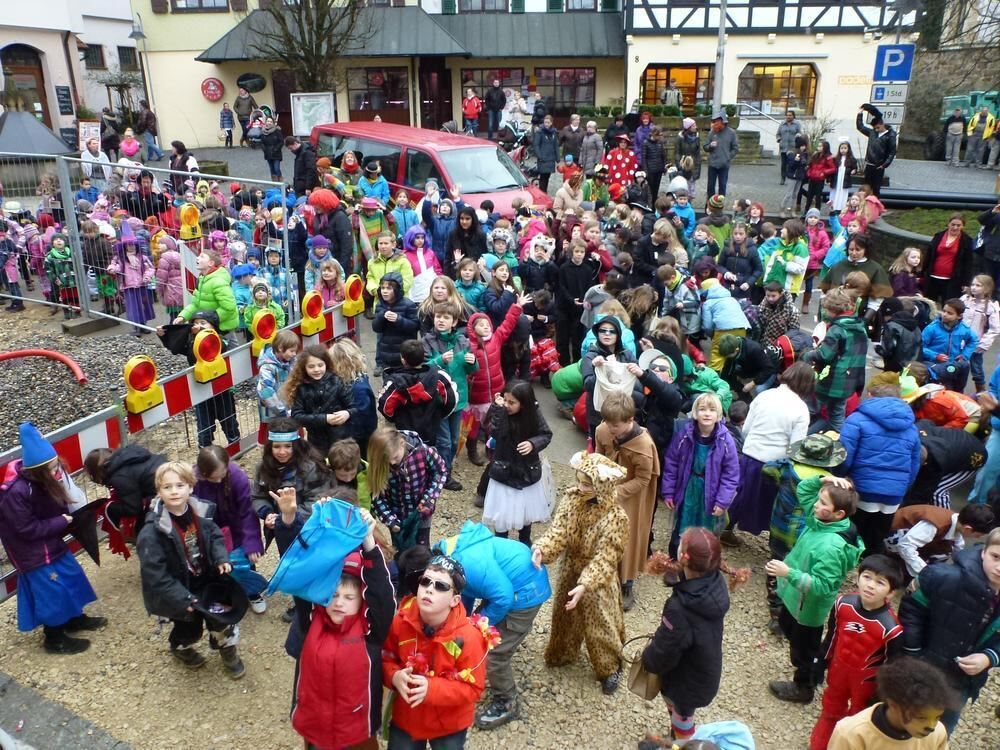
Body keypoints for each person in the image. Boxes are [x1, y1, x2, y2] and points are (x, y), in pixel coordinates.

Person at [288, 508, 392, 750]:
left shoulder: (370, 632)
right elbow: (302, 572)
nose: (339, 602)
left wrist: (368, 543)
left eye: (348, 597)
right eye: (333, 595)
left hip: (357, 731)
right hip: (315, 726)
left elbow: (383, 598)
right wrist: (316, 528)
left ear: (361, 601)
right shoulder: (311, 621)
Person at [0, 423, 108, 654]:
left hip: (49, 542)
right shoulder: (16, 493)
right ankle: (54, 637)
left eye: (55, 466)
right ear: (36, 471)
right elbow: (25, 529)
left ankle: (73, 618)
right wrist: (62, 521)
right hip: (32, 553)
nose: (56, 472)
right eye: (50, 469)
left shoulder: (42, 480)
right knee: (52, 590)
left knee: (71, 575)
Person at [136, 462, 246, 678]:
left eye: (180, 485)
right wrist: (182, 599)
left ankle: (227, 648)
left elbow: (214, 535)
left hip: (207, 580)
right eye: (167, 487)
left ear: (191, 487)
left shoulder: (200, 511)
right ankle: (182, 646)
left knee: (222, 618)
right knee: (189, 627)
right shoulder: (151, 533)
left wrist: (220, 557)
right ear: (158, 492)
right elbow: (156, 576)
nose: (174, 491)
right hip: (179, 590)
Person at [532, 451, 629, 694]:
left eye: (586, 483)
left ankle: (609, 667)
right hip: (570, 568)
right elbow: (559, 531)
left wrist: (586, 584)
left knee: (602, 622)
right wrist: (542, 549)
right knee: (565, 615)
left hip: (598, 579)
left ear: (602, 486)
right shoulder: (572, 499)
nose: (580, 487)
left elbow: (607, 557)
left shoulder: (617, 517)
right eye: (579, 481)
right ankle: (563, 652)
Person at [765, 474, 863, 704]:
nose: (816, 505)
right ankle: (813, 667)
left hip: (807, 609)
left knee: (803, 650)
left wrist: (788, 573)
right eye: (818, 500)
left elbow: (822, 586)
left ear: (838, 513)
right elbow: (804, 491)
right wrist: (823, 480)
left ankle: (804, 687)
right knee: (789, 630)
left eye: (823, 503)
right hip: (795, 598)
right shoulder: (820, 519)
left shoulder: (831, 546)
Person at [898, 527, 1000, 734]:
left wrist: (990, 657)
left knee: (940, 731)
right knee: (903, 723)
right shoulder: (942, 576)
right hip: (921, 667)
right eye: (996, 556)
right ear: (983, 551)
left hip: (961, 681)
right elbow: (911, 611)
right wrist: (913, 652)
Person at [382, 554, 489, 749]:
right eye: (425, 581)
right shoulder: (400, 621)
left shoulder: (470, 637)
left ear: (455, 600)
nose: (429, 589)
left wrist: (431, 689)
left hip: (449, 724)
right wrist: (394, 677)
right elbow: (386, 658)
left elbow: (474, 688)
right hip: (408, 716)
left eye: (440, 586)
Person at [641, 529, 734, 742]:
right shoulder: (715, 581)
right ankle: (678, 738)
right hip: (703, 671)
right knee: (683, 714)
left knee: (682, 716)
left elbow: (665, 651)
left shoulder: (680, 609)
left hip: (684, 683)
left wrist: (648, 659)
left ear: (685, 558)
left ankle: (682, 744)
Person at [808, 554, 906, 750]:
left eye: (880, 582)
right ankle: (818, 745)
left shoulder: (892, 629)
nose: (870, 585)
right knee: (830, 708)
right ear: (857, 577)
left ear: (891, 593)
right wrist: (820, 661)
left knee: (860, 718)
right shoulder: (843, 603)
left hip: (866, 680)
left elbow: (891, 667)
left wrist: (881, 694)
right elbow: (832, 636)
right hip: (839, 667)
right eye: (867, 577)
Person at [726, 362, 812, 546]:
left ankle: (725, 529)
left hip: (749, 456)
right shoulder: (801, 409)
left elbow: (746, 428)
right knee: (774, 505)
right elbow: (795, 447)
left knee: (739, 496)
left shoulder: (764, 395)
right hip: (775, 465)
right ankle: (776, 545)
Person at [839, 383, 922, 557]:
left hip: (862, 488)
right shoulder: (911, 427)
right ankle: (867, 568)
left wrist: (840, 477)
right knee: (875, 538)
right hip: (893, 495)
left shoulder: (857, 419)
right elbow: (914, 464)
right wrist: (901, 488)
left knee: (851, 533)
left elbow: (845, 455)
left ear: (870, 395)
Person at [594, 390, 659, 611]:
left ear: (630, 420)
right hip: (607, 487)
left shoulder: (643, 446)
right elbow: (599, 456)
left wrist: (617, 492)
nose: (610, 429)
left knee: (628, 537)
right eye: (607, 422)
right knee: (602, 532)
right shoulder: (603, 430)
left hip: (632, 497)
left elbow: (642, 480)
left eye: (616, 426)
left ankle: (626, 584)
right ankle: (602, 575)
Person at [662, 393, 741, 555]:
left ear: (719, 415)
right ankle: (675, 561)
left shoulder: (725, 440)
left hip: (710, 492)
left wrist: (722, 501)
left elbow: (731, 474)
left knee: (706, 528)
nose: (707, 413)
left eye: (712, 410)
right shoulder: (685, 435)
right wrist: (668, 491)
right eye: (702, 409)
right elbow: (672, 463)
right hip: (688, 487)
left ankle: (700, 563)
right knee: (683, 524)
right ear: (695, 413)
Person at [193, 446, 266, 613]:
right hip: (212, 530)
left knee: (244, 560)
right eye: (213, 478)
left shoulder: (238, 478)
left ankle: (252, 592)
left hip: (236, 528)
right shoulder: (195, 481)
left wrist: (252, 543)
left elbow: (248, 512)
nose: (218, 481)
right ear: (203, 474)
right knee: (218, 563)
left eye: (222, 475)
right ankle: (227, 595)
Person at [480, 380, 552, 544]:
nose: (506, 404)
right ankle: (501, 545)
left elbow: (546, 434)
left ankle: (525, 542)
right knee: (501, 515)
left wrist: (533, 443)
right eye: (505, 399)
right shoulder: (500, 411)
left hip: (526, 473)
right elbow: (496, 434)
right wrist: (497, 411)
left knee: (525, 514)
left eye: (512, 402)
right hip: (503, 473)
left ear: (524, 404)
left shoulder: (534, 413)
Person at [827, 657, 954, 749]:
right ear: (893, 705)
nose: (931, 726)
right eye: (921, 718)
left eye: (937, 717)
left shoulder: (937, 733)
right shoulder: (851, 734)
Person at [156, 311, 241, 447]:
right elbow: (176, 347)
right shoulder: (192, 341)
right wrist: (164, 336)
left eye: (203, 323)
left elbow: (222, 346)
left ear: (213, 326)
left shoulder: (219, 339)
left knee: (228, 419)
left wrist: (204, 333)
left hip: (222, 388)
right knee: (204, 424)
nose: (197, 326)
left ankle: (235, 443)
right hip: (200, 390)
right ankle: (205, 449)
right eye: (195, 323)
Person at [250, 417, 331, 554]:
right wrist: (268, 513)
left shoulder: (311, 467)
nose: (282, 452)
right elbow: (258, 496)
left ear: (296, 445)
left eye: (288, 446)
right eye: (277, 446)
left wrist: (288, 516)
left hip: (309, 530)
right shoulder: (263, 468)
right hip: (281, 531)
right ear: (270, 447)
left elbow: (316, 501)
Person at [369, 426, 447, 552]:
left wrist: (429, 498)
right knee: (401, 550)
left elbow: (440, 471)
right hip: (397, 516)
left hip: (422, 511)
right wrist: (390, 519)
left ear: (402, 443)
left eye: (395, 457)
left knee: (422, 547)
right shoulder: (380, 465)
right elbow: (377, 497)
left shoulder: (423, 451)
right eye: (387, 460)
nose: (392, 463)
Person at [802, 289, 867, 430]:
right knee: (837, 415)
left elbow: (824, 355)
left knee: (808, 408)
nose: (824, 312)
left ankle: (798, 439)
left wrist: (808, 355)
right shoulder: (860, 326)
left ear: (833, 309)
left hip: (832, 381)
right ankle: (841, 443)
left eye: (826, 309)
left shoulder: (837, 329)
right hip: (850, 380)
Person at [886, 503, 995, 580]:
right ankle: (898, 567)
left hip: (910, 539)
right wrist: (924, 570)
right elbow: (906, 545)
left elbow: (958, 548)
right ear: (968, 528)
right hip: (895, 536)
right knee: (940, 554)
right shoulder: (935, 524)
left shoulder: (956, 522)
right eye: (978, 535)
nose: (977, 538)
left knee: (946, 551)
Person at [285, 343, 357, 456]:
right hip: (316, 441)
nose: (317, 370)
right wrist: (325, 419)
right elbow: (297, 416)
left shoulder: (337, 381)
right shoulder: (301, 388)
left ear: (326, 364)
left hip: (340, 439)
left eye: (320, 365)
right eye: (311, 366)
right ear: (304, 367)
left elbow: (353, 407)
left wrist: (347, 413)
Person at [921, 298, 977, 392]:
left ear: (959, 316)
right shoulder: (932, 328)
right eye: (944, 311)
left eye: (950, 313)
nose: (944, 315)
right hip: (936, 367)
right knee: (943, 391)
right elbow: (920, 347)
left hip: (954, 365)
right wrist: (935, 356)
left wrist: (965, 355)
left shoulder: (963, 329)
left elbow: (973, 340)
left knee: (958, 389)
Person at [960, 274, 1000, 392]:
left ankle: (981, 394)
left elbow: (995, 328)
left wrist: (982, 344)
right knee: (956, 367)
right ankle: (956, 391)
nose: (973, 287)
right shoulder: (964, 300)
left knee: (976, 369)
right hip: (958, 341)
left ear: (987, 288)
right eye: (972, 284)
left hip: (975, 344)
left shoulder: (991, 307)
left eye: (978, 285)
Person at [923, 213, 974, 304]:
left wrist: (966, 283)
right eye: (953, 224)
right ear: (948, 224)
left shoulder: (966, 241)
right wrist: (922, 273)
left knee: (948, 306)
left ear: (963, 226)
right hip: (932, 277)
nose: (955, 227)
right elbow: (928, 256)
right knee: (928, 305)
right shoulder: (938, 236)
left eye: (958, 225)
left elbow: (968, 263)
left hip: (952, 281)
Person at [856, 104, 896, 197]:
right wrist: (859, 115)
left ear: (882, 124)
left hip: (879, 165)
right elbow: (860, 127)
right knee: (866, 187)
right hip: (869, 164)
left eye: (878, 128)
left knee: (876, 188)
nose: (876, 130)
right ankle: (864, 206)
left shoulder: (890, 135)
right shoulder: (872, 133)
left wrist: (885, 164)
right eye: (875, 128)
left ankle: (875, 207)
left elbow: (892, 152)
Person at [704, 112, 738, 198]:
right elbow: (705, 147)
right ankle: (709, 206)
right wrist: (710, 146)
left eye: (717, 122)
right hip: (712, 164)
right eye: (715, 122)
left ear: (723, 122)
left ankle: (719, 206)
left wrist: (728, 157)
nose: (715, 124)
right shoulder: (712, 132)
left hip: (724, 165)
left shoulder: (731, 133)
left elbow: (735, 148)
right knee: (710, 187)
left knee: (722, 186)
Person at [533, 115, 559, 193]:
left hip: (551, 158)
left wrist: (557, 157)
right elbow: (536, 145)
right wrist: (540, 156)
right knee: (543, 178)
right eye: (545, 122)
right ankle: (542, 193)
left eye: (548, 122)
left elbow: (556, 145)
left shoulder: (554, 132)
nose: (546, 124)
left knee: (547, 177)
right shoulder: (540, 132)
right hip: (543, 158)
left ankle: (544, 192)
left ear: (551, 123)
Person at [776, 110, 803, 185]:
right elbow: (778, 134)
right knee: (783, 164)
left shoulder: (797, 124)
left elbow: (800, 133)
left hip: (793, 148)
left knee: (790, 163)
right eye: (787, 115)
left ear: (793, 116)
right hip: (783, 147)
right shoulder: (782, 124)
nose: (788, 117)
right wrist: (779, 139)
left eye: (790, 115)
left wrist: (798, 136)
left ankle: (790, 178)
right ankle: (782, 178)